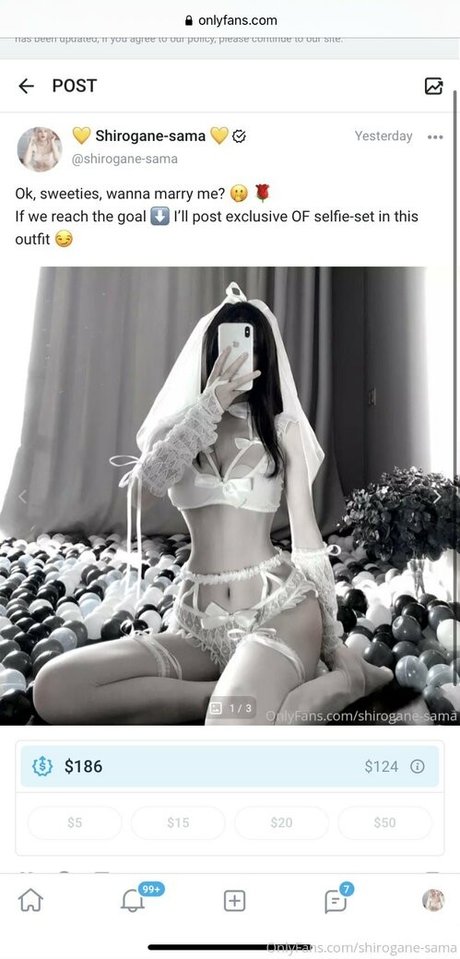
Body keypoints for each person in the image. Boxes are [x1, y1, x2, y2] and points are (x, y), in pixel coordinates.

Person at [33, 283, 392, 724]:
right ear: (209, 353)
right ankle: (219, 698)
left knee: (232, 720)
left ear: (264, 357)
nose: (237, 356)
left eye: (248, 347)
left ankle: (344, 681)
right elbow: (140, 493)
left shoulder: (283, 430)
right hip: (197, 627)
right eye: (226, 346)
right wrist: (208, 408)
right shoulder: (178, 431)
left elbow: (306, 536)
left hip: (279, 611)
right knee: (53, 688)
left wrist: (331, 641)